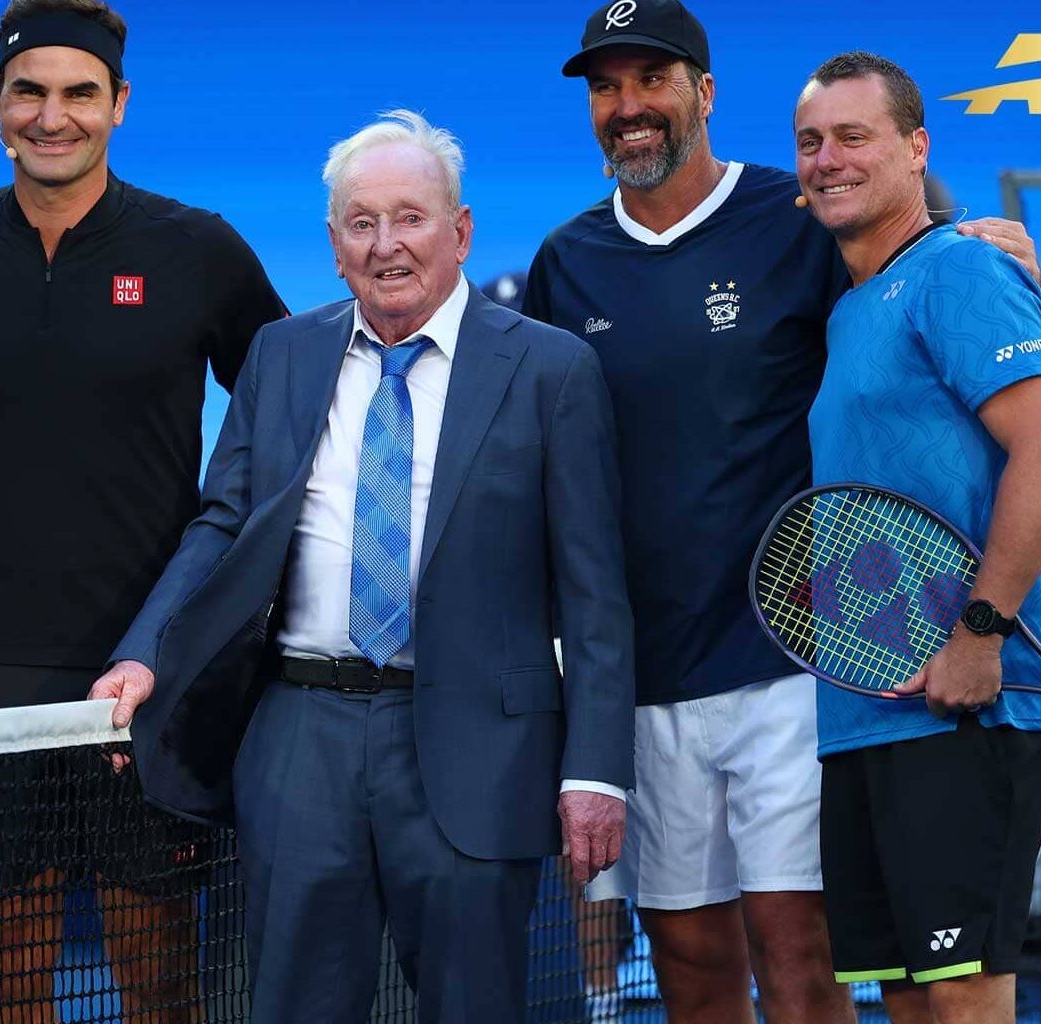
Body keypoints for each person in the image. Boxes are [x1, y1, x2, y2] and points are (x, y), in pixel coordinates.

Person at [519, 4, 1041, 1022]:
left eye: (653, 80)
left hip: (798, 662)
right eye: (607, 87)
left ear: (705, 94)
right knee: (689, 966)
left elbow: (919, 279)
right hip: (645, 676)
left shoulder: (797, 217)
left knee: (802, 953)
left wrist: (1001, 257)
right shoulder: (564, 262)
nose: (629, 106)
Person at [89, 109, 635, 1024]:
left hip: (482, 748)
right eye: (361, 223)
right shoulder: (281, 354)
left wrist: (596, 771)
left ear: (461, 231)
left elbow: (595, 595)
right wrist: (146, 649)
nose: (387, 246)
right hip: (300, 738)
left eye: (411, 218)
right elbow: (222, 522)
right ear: (334, 245)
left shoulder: (553, 371)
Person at [0, 0, 285, 1018]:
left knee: (159, 986)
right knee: (2, 986)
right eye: (29, 91)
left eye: (79, 93)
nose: (51, 116)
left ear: (119, 104)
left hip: (150, 671)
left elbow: (286, 414)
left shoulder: (197, 248)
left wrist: (217, 566)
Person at [794, 51, 1041, 1024]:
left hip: (973, 707)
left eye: (854, 135)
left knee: (963, 999)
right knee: (911, 1003)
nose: (828, 158)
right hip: (868, 712)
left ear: (917, 148)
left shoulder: (962, 266)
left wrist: (980, 634)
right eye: (811, 142)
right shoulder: (850, 310)